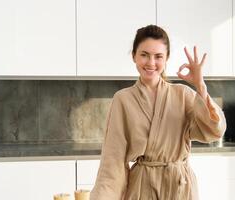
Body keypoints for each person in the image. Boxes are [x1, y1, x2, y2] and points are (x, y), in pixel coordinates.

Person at [90, 25, 227, 200]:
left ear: (167, 58)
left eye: (158, 56)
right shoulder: (123, 99)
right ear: (134, 56)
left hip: (180, 188)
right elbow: (113, 161)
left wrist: (200, 86)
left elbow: (214, 131)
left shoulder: (183, 94)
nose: (151, 63)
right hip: (142, 189)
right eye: (144, 55)